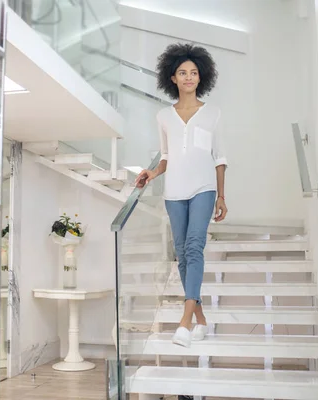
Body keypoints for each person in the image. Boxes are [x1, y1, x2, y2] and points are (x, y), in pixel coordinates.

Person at [135, 43, 227, 349]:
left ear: (202, 77)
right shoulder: (163, 116)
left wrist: (221, 196)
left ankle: (185, 321)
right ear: (172, 78)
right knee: (182, 254)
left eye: (194, 72)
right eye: (182, 73)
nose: (189, 77)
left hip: (204, 188)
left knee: (194, 246)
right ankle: (201, 319)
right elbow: (165, 156)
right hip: (173, 190)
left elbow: (219, 157)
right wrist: (152, 174)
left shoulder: (213, 114)